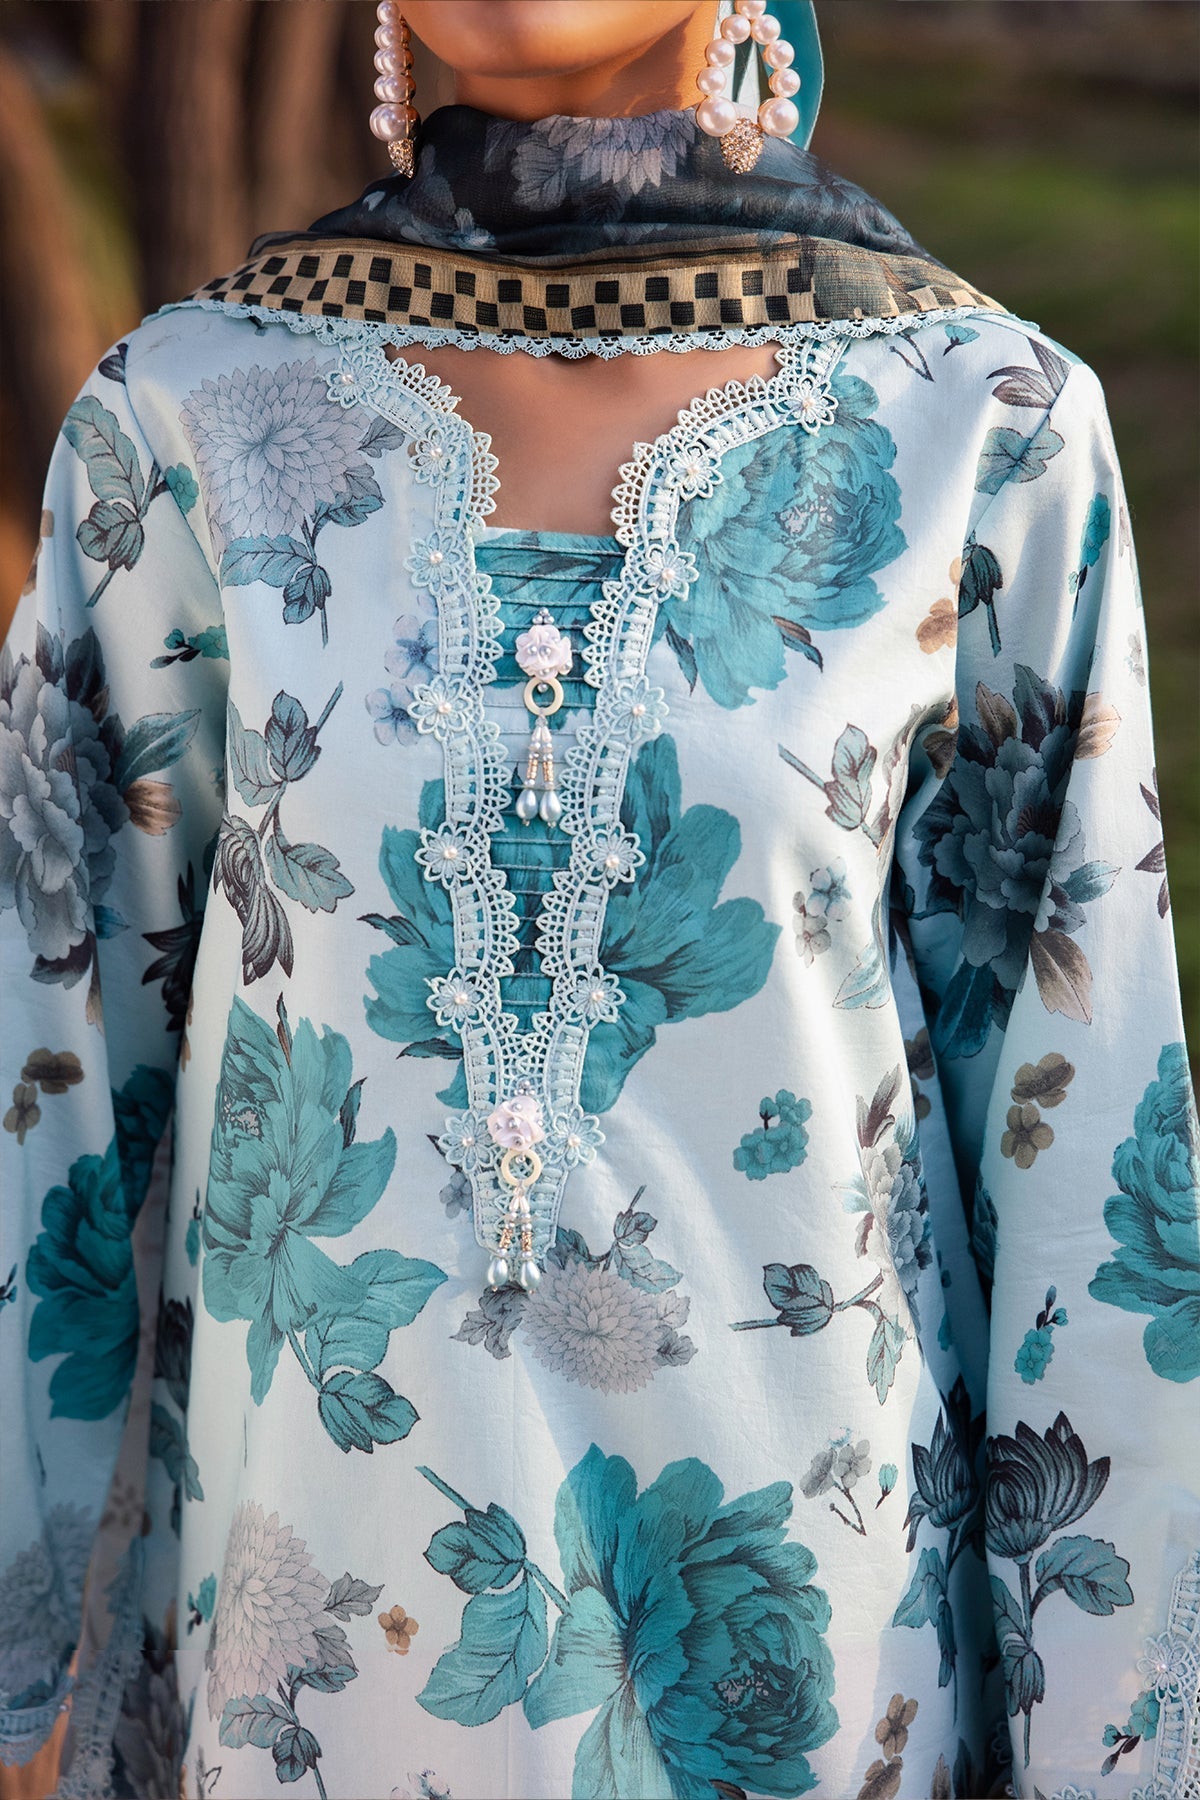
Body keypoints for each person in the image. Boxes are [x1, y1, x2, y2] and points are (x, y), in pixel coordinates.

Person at [1, 3, 1196, 1796]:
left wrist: (1120, 1742)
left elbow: (1089, 1164)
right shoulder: (178, 424)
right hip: (311, 1707)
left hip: (829, 1709)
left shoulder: (986, 431)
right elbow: (44, 1087)